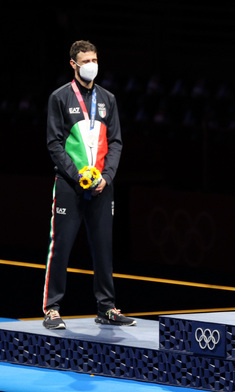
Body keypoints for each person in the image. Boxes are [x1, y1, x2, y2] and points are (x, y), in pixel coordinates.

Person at [42, 40, 135, 329]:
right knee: (61, 247)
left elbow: (116, 141)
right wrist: (77, 175)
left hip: (101, 186)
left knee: (104, 247)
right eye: (85, 60)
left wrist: (105, 178)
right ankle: (52, 309)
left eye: (94, 59)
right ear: (73, 64)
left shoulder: (108, 98)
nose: (91, 64)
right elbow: (54, 143)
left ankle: (106, 308)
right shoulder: (59, 97)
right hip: (70, 186)